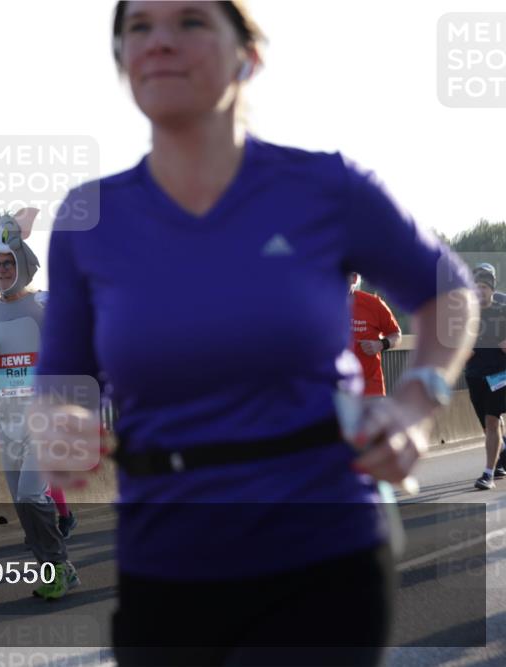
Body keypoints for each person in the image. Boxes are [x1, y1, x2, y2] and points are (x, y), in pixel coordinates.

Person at [36, 2, 478, 664]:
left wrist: (417, 401)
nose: (159, 42)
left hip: (322, 549)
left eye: (190, 21)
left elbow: (449, 291)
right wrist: (60, 426)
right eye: (138, 28)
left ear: (249, 53)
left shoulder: (324, 187)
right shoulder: (87, 219)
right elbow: (60, 380)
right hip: (166, 560)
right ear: (123, 61)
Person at [0, 206, 79, 600]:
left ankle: (58, 566)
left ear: (23, 262)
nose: (1, 270)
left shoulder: (45, 305)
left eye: (7, 262)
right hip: (7, 425)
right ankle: (57, 569)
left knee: (31, 493)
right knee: (23, 504)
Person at [465, 265, 506, 490]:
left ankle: (488, 474)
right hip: (474, 375)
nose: (480, 291)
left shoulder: (502, 312)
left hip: (499, 375)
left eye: (484, 287)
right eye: (476, 287)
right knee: (487, 425)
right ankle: (502, 451)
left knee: (492, 421)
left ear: (491, 290)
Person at [349, 272, 402, 396]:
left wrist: (381, 344)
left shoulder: (373, 304)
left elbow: (397, 335)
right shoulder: (322, 306)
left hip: (370, 390)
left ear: (354, 279)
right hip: (334, 390)